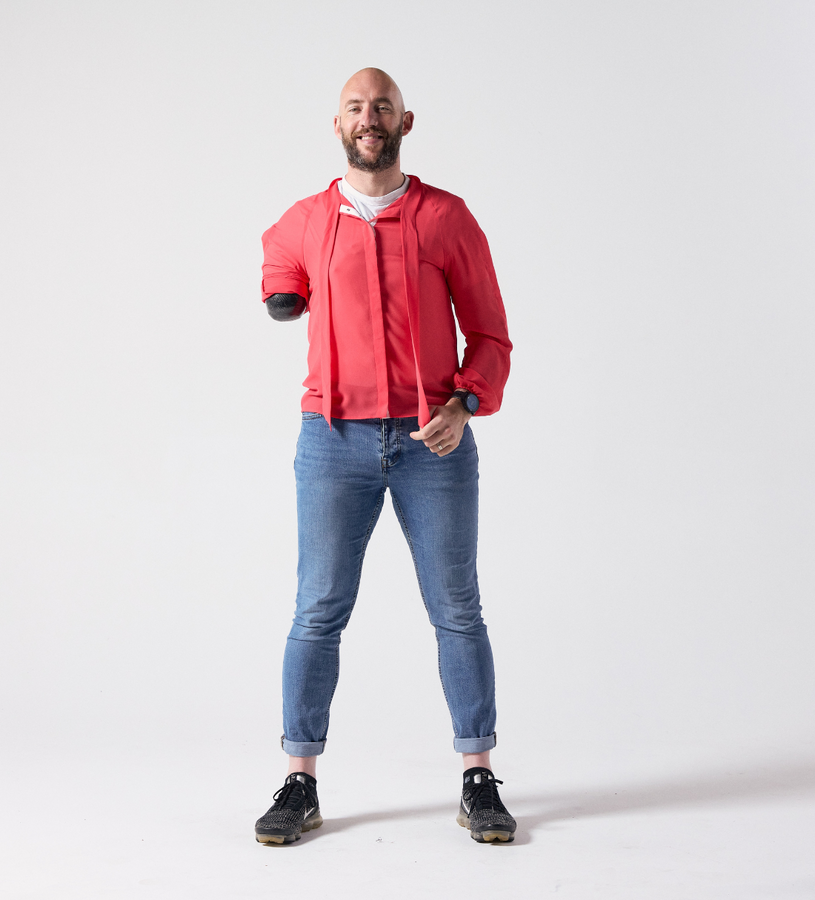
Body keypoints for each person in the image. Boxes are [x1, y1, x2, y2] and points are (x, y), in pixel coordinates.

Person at [254, 68, 515, 845]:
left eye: (383, 108)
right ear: (336, 124)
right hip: (331, 442)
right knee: (316, 611)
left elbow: (493, 334)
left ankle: (478, 776)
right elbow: (277, 257)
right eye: (356, 108)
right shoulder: (308, 219)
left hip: (432, 444)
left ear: (407, 121)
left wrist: (465, 404)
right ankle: (299, 782)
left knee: (457, 611)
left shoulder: (446, 218)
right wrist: (281, 289)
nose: (371, 119)